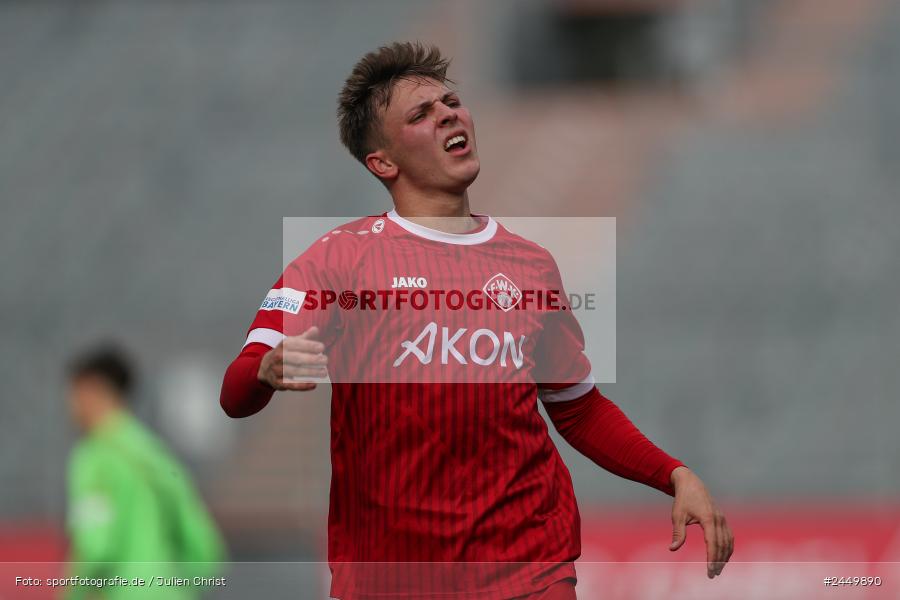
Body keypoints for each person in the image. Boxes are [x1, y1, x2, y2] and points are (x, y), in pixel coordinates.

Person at [220, 42, 733, 599]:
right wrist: (266, 369)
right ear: (383, 162)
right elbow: (235, 393)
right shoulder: (339, 259)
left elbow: (578, 409)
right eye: (420, 114)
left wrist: (673, 474)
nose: (448, 113)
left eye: (451, 101)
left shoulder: (531, 265)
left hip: (526, 568)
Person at [66, 345, 225, 599]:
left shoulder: (96, 455)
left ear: (92, 390)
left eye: (74, 393)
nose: (71, 406)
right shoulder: (158, 456)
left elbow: (96, 547)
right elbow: (202, 547)